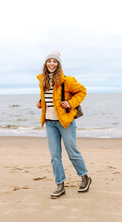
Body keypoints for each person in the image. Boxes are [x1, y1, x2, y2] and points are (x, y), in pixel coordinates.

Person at [36, 51, 91, 199]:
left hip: (65, 122)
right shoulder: (42, 81)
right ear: (45, 64)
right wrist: (41, 103)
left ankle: (85, 177)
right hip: (49, 123)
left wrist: (70, 103)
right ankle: (60, 185)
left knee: (72, 152)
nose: (51, 64)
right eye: (49, 61)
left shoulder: (68, 80)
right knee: (55, 156)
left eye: (54, 61)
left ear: (58, 64)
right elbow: (48, 96)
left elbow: (82, 91)